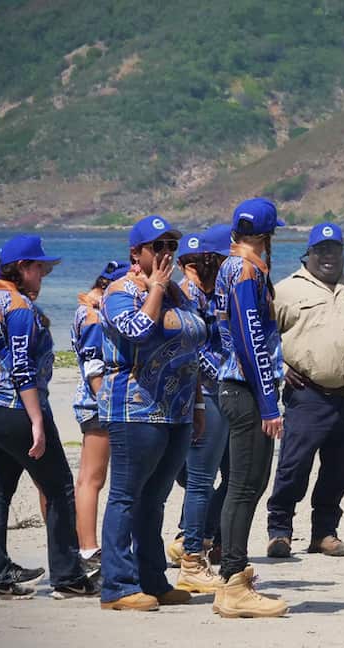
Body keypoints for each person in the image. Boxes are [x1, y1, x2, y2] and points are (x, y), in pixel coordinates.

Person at [0, 234, 96, 600]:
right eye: (40, 268)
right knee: (60, 488)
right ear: (22, 268)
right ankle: (68, 576)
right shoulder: (19, 307)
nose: (43, 275)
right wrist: (37, 421)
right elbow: (21, 368)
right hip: (15, 408)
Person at [97, 215, 206, 611]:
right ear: (135, 253)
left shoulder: (179, 293)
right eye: (157, 246)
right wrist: (156, 287)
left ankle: (152, 580)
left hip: (177, 410)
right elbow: (138, 330)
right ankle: (117, 586)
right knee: (126, 497)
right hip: (134, 410)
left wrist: (197, 404)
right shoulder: (119, 292)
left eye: (171, 246)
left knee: (155, 499)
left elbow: (193, 347)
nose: (166, 254)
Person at [265, 222, 344, 559]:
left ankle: (324, 533)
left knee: (341, 470)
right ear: (308, 253)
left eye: (334, 249)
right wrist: (280, 368)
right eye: (321, 250)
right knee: (294, 467)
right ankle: (280, 532)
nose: (328, 256)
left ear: (342, 252)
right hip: (309, 395)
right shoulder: (286, 290)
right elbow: (261, 335)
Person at [213, 197, 289, 618]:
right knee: (244, 486)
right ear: (265, 237)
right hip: (245, 389)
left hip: (239, 386)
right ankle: (233, 581)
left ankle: (233, 576)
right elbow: (249, 338)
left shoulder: (231, 266)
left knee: (249, 485)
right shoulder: (245, 271)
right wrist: (268, 402)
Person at [170, 225, 232, 593]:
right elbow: (192, 350)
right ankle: (192, 549)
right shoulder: (187, 294)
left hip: (216, 392)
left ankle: (202, 539)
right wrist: (226, 374)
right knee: (199, 480)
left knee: (231, 476)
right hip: (204, 395)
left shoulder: (213, 291)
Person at [70, 259, 130, 576]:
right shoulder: (93, 316)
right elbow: (94, 367)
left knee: (89, 477)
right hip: (97, 403)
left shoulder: (86, 310)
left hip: (91, 401)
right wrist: (109, 405)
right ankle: (89, 548)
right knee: (92, 479)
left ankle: (87, 546)